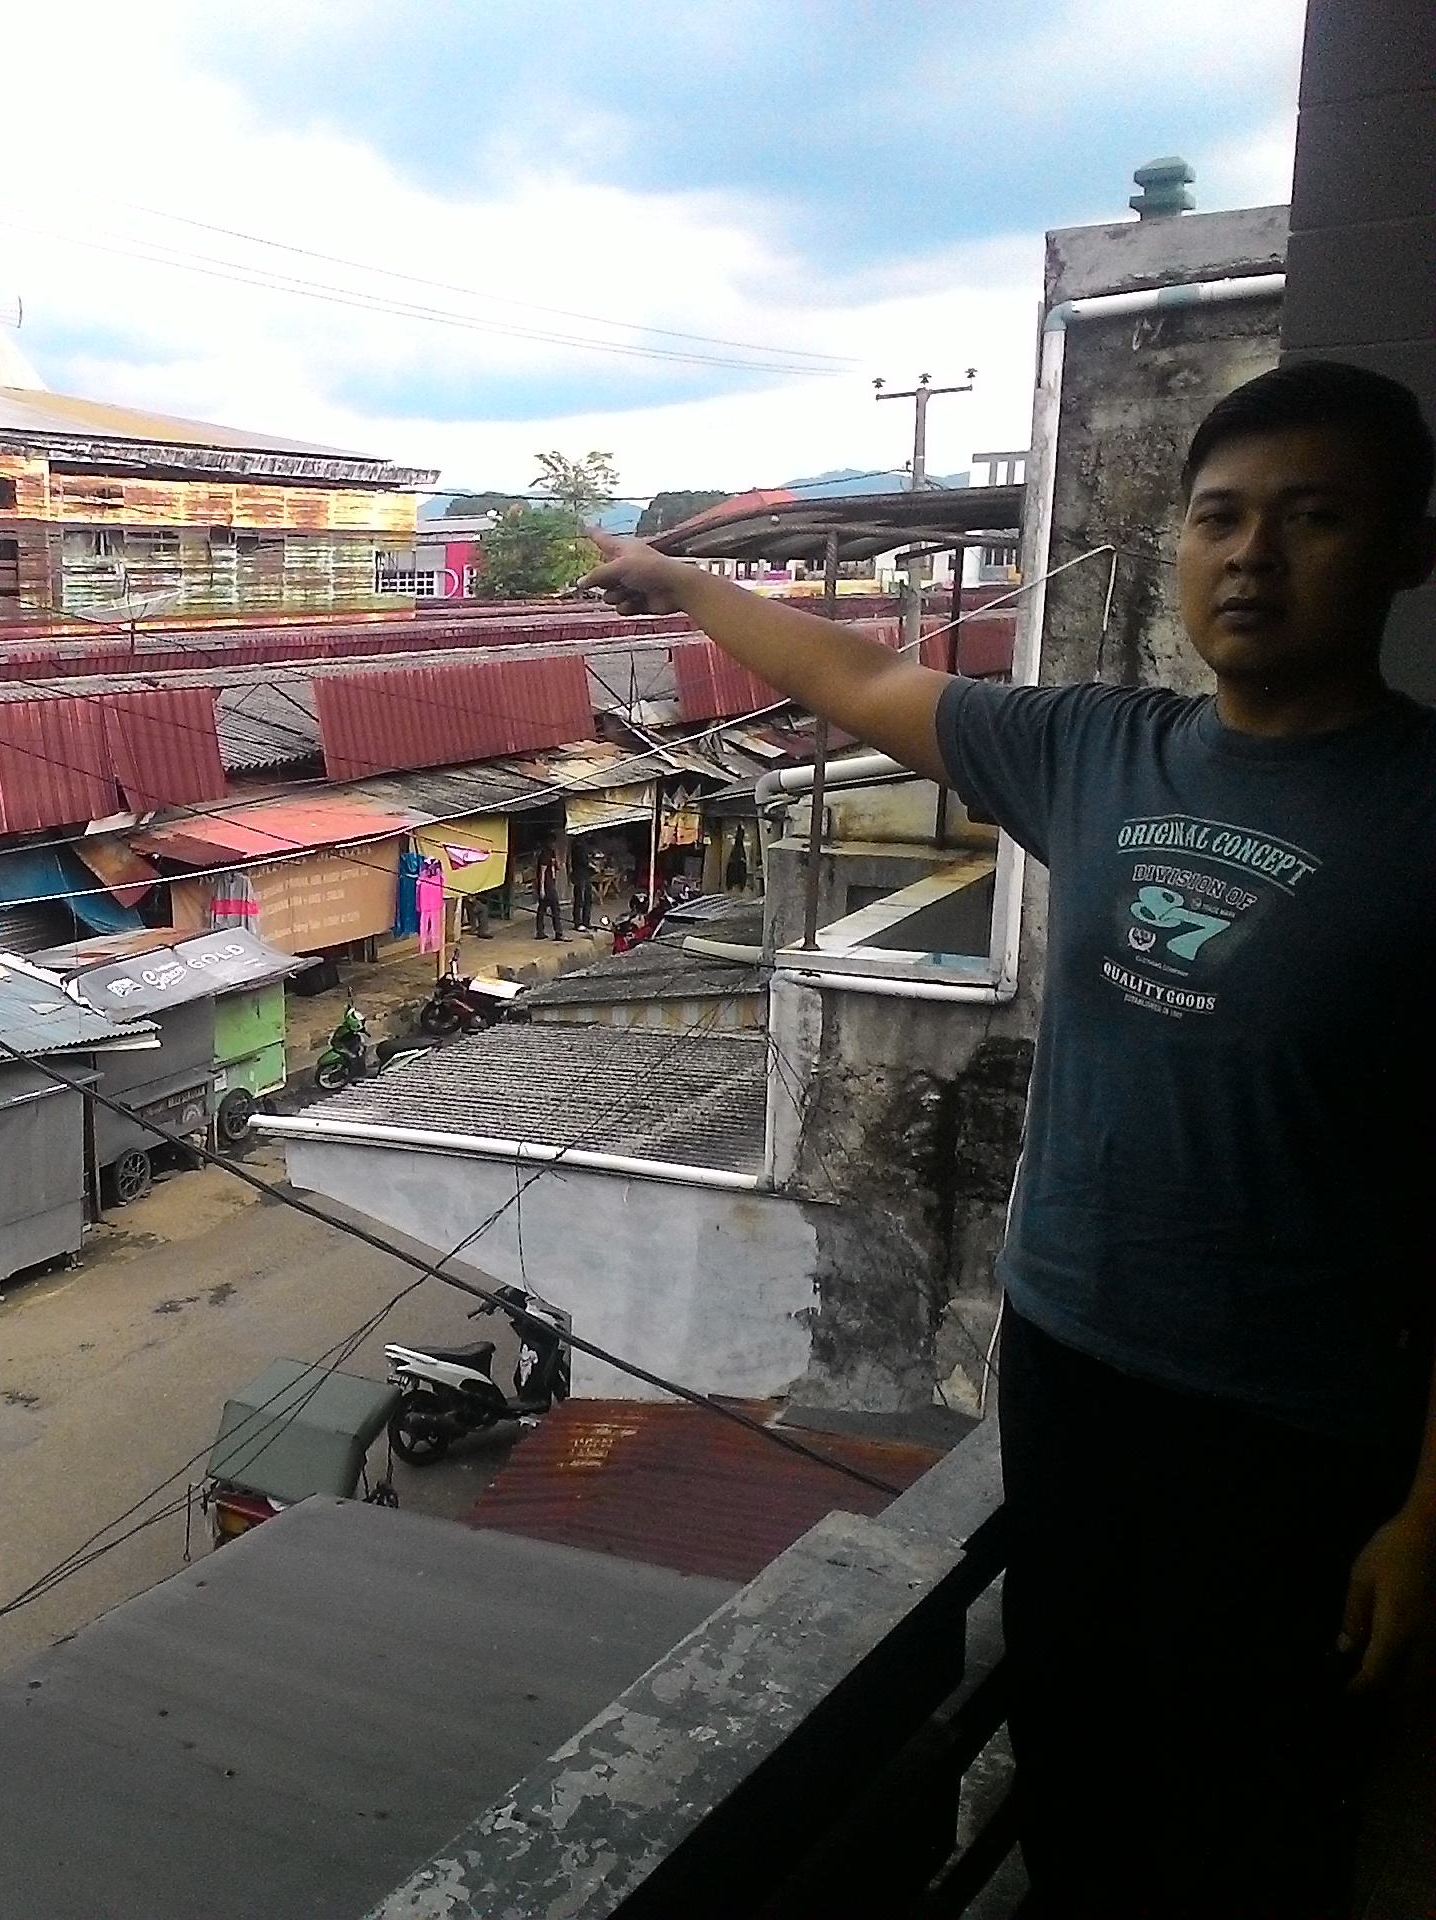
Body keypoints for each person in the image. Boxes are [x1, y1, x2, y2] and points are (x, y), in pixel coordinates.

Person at [585, 359, 1436, 1918]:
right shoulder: (1102, 751)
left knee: (1253, 1816)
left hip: (1295, 1428)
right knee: (1083, 1766)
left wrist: (1431, 1513)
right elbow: (856, 681)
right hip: (1069, 1363)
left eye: (1311, 519)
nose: (1253, 557)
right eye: (1220, 519)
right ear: (1178, 548)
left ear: (1406, 551)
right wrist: (684, 581)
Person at [534, 850, 566, 942]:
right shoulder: (545, 856)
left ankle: (544, 932)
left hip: (551, 884)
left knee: (546, 909)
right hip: (547, 886)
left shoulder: (553, 856)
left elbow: (558, 867)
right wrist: (542, 889)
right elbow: (542, 874)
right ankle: (555, 932)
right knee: (550, 909)